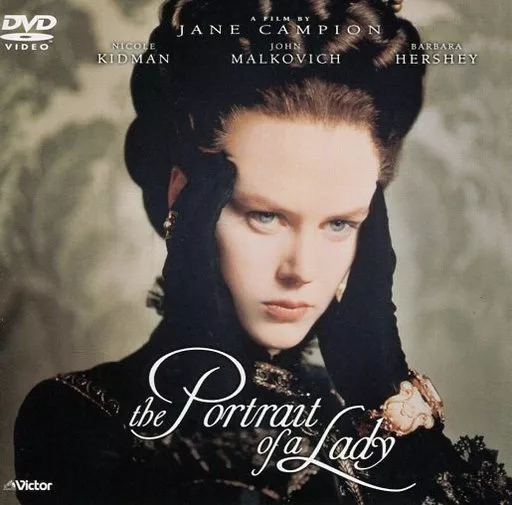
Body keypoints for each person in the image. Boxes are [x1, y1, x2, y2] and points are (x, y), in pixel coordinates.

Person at [13, 1, 511, 504]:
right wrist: (203, 352)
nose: (301, 270)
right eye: (266, 216)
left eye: (339, 223)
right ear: (186, 200)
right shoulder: (77, 417)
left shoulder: (358, 411)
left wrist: (383, 384)